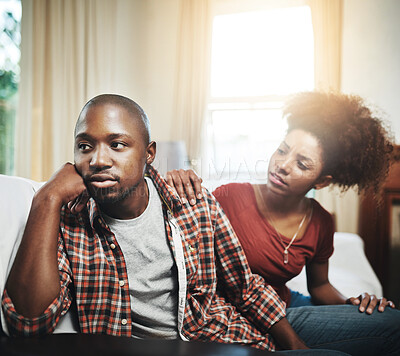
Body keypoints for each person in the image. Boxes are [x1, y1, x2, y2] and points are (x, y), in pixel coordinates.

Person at [1, 94, 397, 355]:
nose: (99, 159)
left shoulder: (192, 204)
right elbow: (29, 322)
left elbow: (247, 287)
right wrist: (47, 198)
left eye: (118, 144)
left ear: (148, 154)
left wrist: (295, 345)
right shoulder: (68, 218)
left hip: (237, 329)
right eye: (85, 146)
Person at [166, 91, 395, 311]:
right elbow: (183, 247)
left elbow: (319, 287)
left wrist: (353, 306)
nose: (282, 165)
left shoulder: (321, 222)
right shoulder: (230, 197)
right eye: (282, 151)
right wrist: (178, 186)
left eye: (302, 164)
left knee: (389, 322)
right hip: (239, 314)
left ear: (322, 182)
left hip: (287, 306)